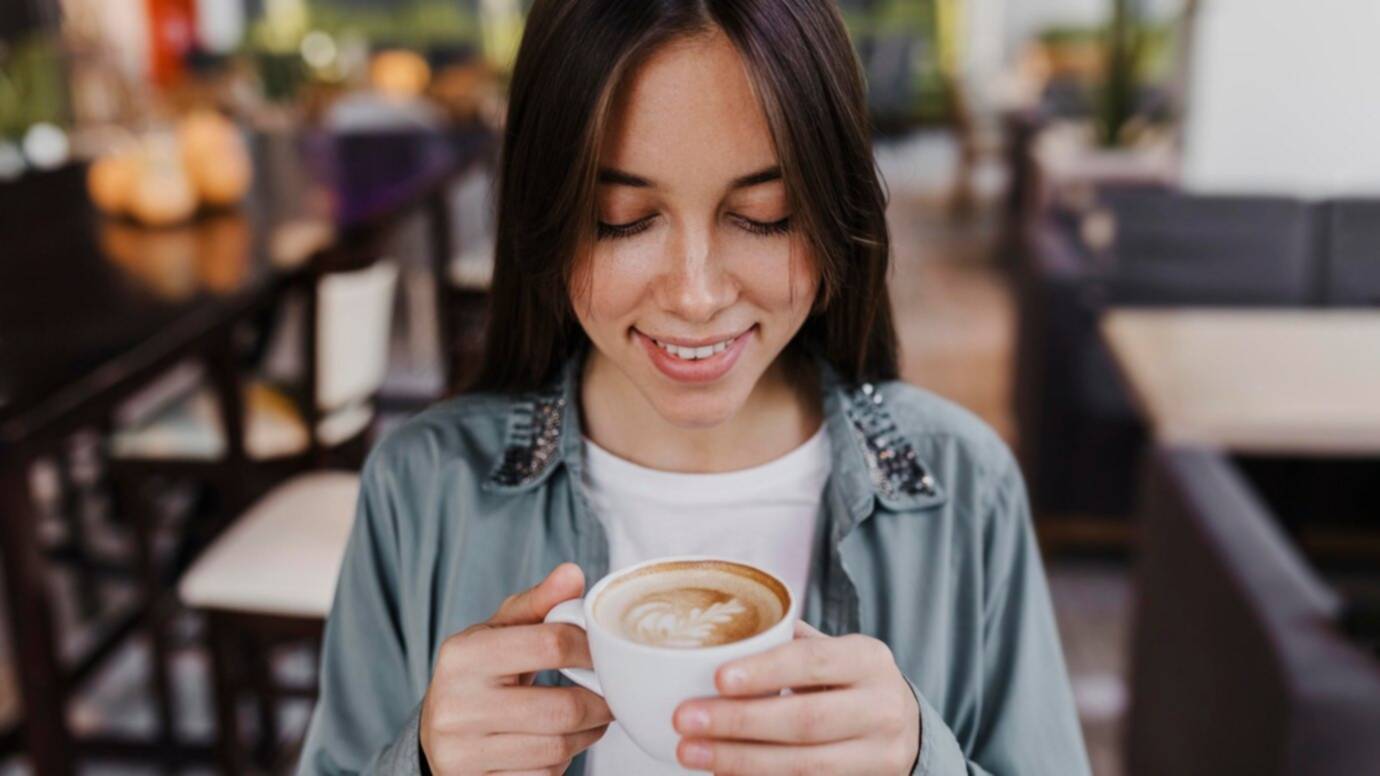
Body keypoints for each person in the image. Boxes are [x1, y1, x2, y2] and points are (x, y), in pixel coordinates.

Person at [297, 0, 1090, 774]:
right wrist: (425, 763)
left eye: (765, 214)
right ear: (549, 216)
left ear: (832, 212)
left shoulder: (960, 486)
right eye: (621, 218)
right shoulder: (422, 488)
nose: (696, 295)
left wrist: (924, 760)